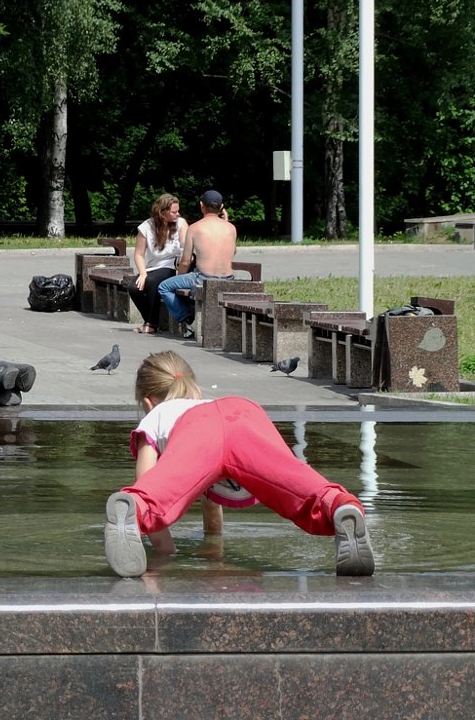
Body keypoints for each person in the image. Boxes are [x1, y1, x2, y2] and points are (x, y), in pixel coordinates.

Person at [103, 351, 376, 578]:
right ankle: (339, 506)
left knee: (153, 497)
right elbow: (211, 505)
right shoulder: (204, 403)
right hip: (244, 412)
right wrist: (214, 547)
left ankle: (134, 510)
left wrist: (166, 557)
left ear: (148, 402)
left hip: (199, 430)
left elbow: (152, 488)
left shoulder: (157, 417)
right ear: (192, 388)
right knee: (297, 485)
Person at [157, 189, 237, 339]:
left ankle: (187, 319)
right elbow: (232, 252)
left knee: (164, 287)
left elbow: (185, 260)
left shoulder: (194, 228)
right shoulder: (231, 228)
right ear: (221, 207)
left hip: (202, 278)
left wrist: (180, 276)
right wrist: (225, 222)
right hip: (228, 279)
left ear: (202, 205)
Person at [128, 193, 188, 334]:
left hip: (171, 266)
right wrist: (142, 273)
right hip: (153, 267)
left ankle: (151, 324)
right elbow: (138, 254)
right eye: (174, 212)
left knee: (153, 282)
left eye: (178, 211)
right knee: (133, 287)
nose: (178, 214)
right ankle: (149, 320)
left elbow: (186, 248)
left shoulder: (181, 224)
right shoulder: (146, 227)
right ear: (162, 212)